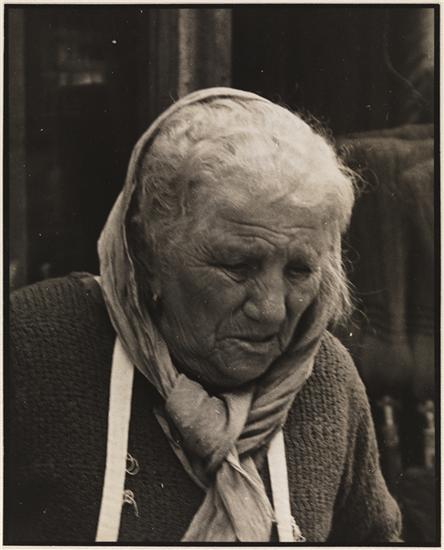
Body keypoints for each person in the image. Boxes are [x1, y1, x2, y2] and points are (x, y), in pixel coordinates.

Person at [7, 87, 402, 543]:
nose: (272, 311)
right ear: (147, 249)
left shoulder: (326, 379)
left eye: (299, 270)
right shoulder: (29, 346)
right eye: (237, 265)